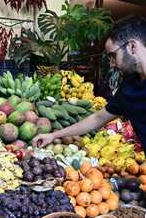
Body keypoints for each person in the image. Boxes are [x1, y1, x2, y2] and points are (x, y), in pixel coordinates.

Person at [33, 16, 146, 153]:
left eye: (113, 55)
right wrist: (53, 135)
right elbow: (97, 118)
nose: (111, 64)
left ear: (132, 47)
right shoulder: (129, 86)